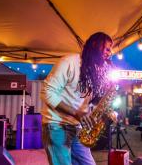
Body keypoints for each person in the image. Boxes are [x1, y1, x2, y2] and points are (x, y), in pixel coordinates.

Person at [41, 32, 114, 165]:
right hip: (57, 125)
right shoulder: (69, 61)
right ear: (95, 44)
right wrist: (76, 113)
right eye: (108, 48)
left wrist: (103, 106)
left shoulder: (94, 71)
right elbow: (47, 92)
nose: (110, 53)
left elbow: (89, 99)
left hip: (78, 128)